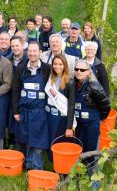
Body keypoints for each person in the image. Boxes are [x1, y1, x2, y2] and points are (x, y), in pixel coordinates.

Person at [12, 42, 51, 170]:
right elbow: (16, 90)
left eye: (35, 51)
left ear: (40, 52)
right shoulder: (20, 68)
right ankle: (28, 165)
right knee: (26, 138)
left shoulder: (47, 69)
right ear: (27, 52)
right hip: (24, 111)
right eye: (30, 51)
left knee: (38, 140)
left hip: (40, 111)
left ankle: (37, 168)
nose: (32, 54)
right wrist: (16, 111)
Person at [72, 60, 110, 173]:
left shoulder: (94, 86)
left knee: (92, 150)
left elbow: (106, 106)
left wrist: (98, 118)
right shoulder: (73, 85)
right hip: (79, 125)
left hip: (91, 124)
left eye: (82, 70)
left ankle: (94, 178)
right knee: (81, 149)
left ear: (89, 72)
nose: (79, 72)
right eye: (76, 69)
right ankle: (81, 173)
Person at [44, 54, 76, 159]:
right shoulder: (49, 79)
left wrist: (69, 127)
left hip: (60, 118)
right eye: (55, 64)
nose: (57, 66)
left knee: (58, 143)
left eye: (60, 64)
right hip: (49, 116)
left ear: (65, 65)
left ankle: (59, 168)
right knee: (49, 140)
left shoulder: (70, 82)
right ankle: (51, 162)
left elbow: (71, 105)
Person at [7, 36, 28, 148]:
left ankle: (21, 145)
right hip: (10, 93)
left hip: (24, 94)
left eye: (17, 45)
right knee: (11, 118)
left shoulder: (28, 59)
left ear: (22, 46)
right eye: (13, 46)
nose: (15, 48)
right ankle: (11, 142)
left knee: (21, 120)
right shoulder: (8, 59)